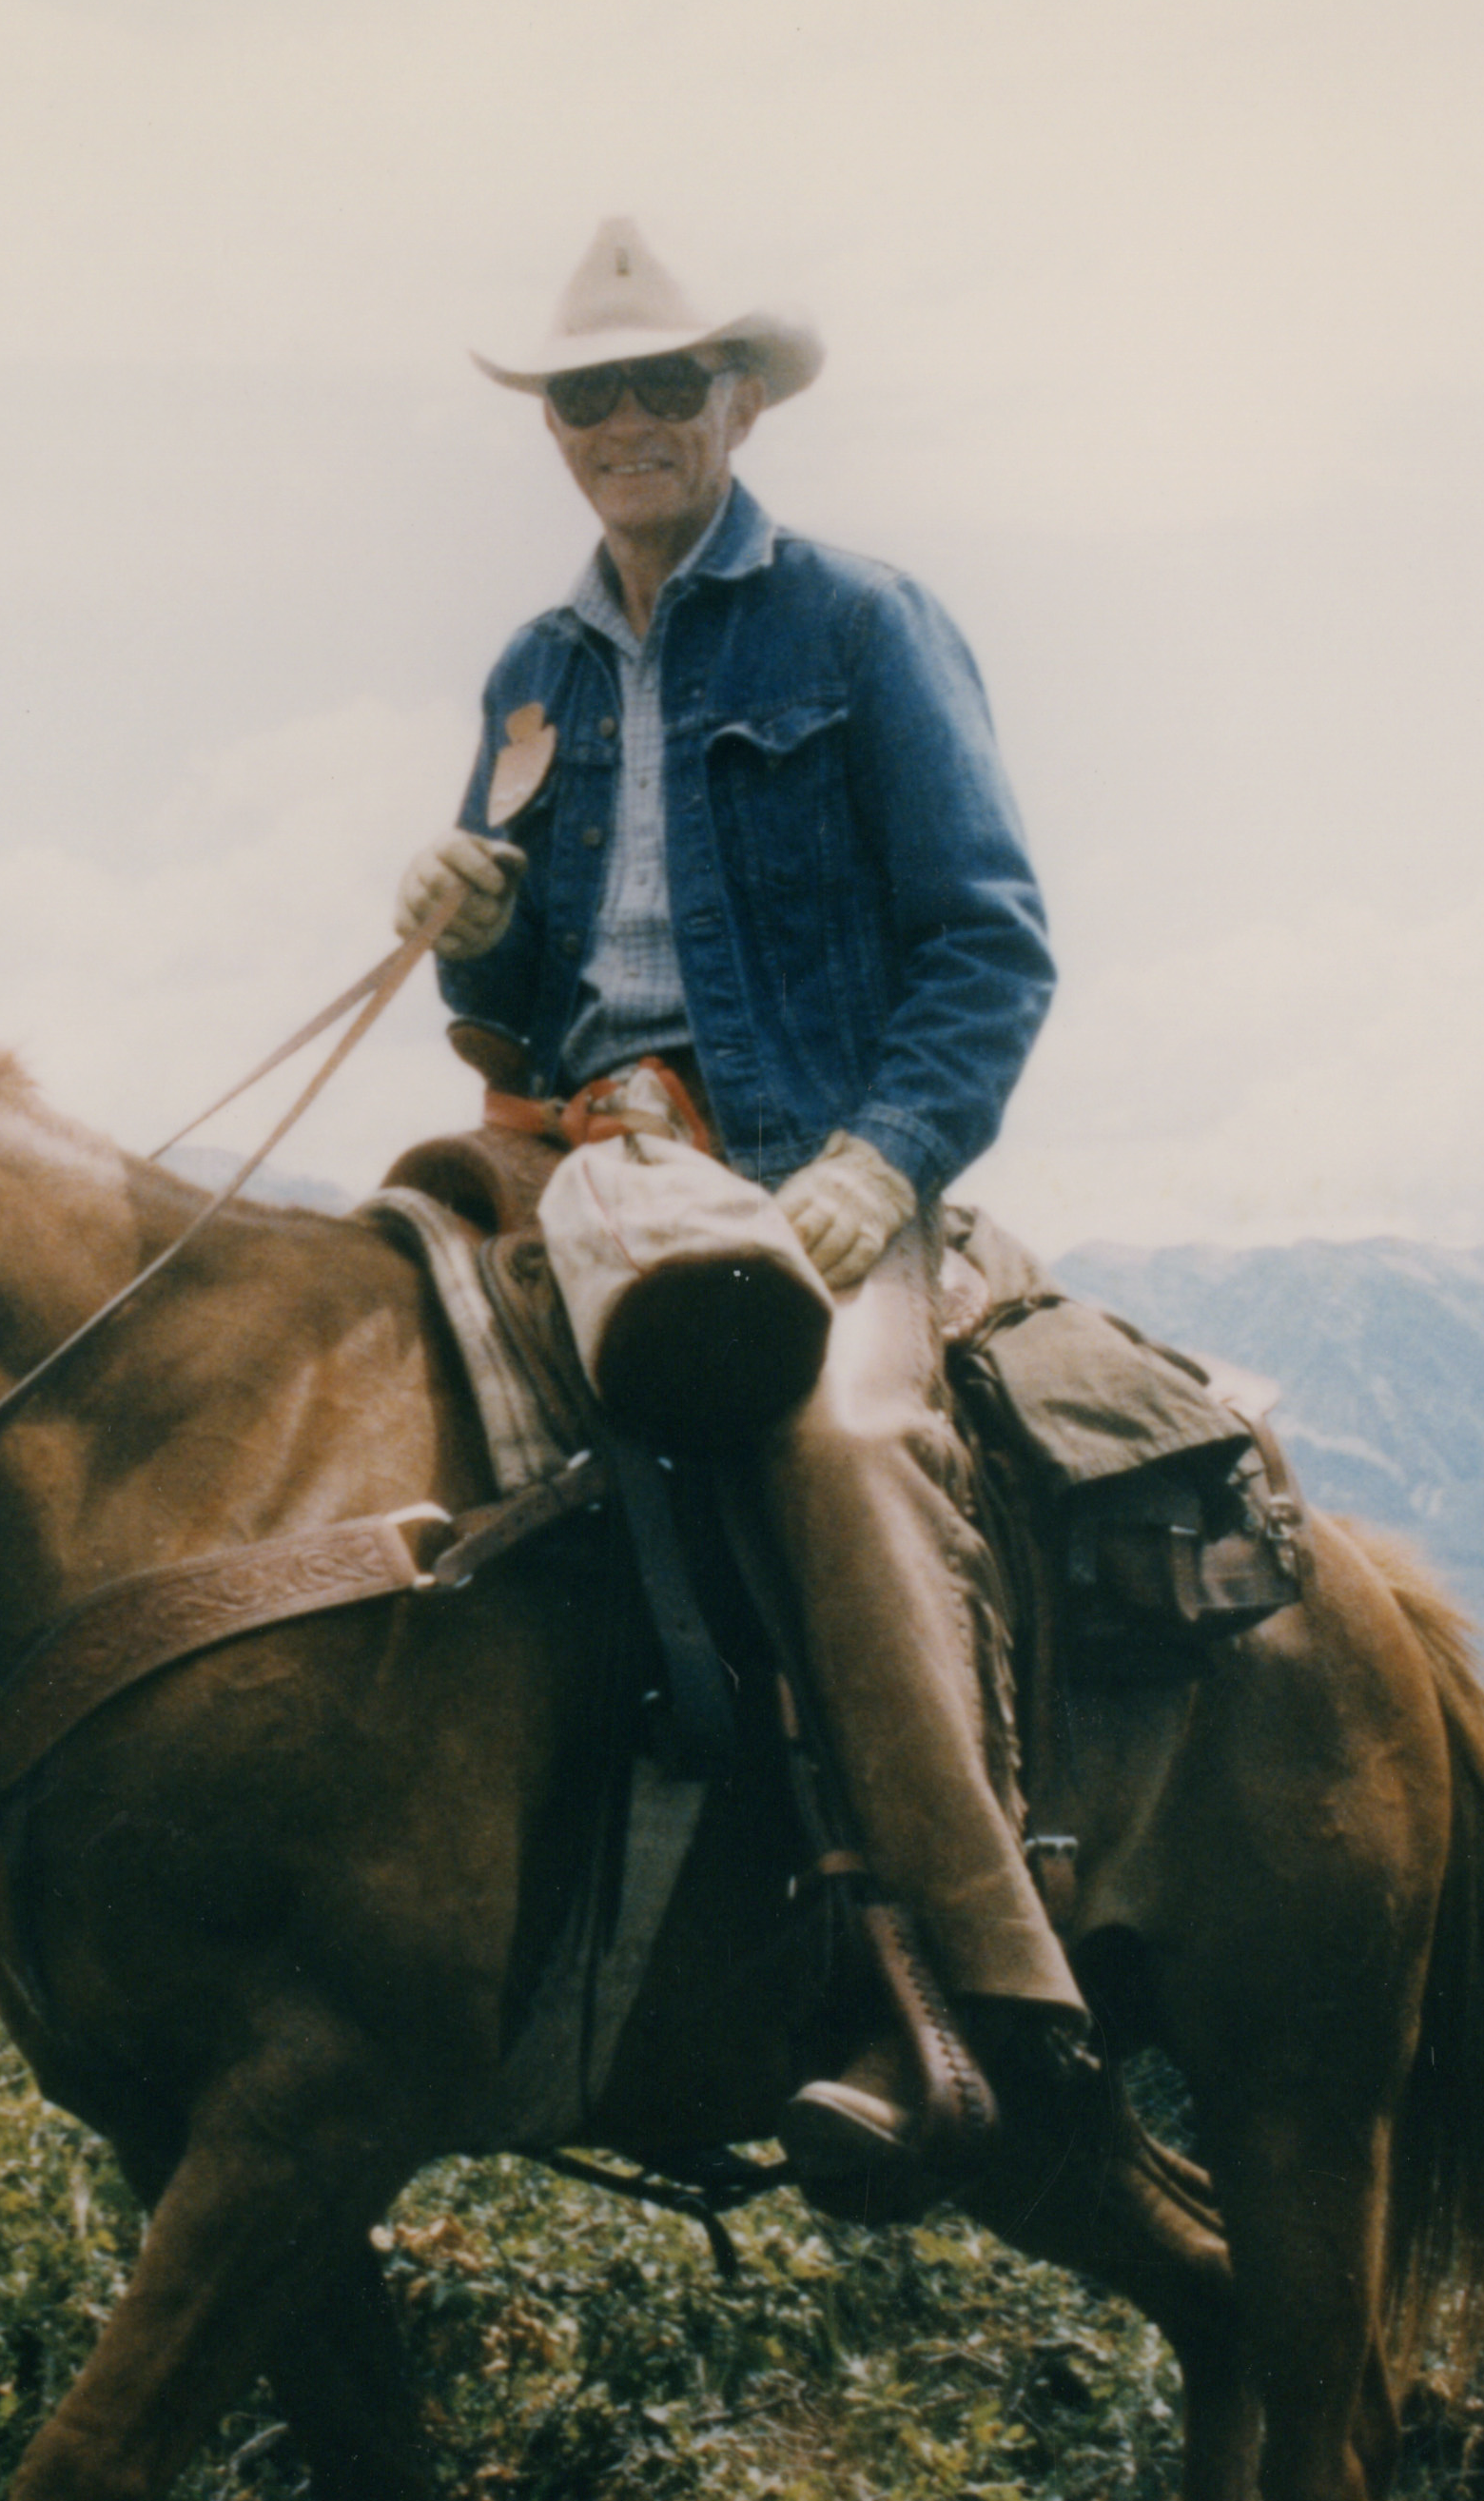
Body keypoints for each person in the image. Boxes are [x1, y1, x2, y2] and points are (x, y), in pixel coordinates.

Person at [398, 215, 1086, 2208]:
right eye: (583, 393)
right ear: (556, 429)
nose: (619, 421)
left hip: (799, 1163)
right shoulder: (531, 671)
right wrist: (471, 936)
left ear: (739, 398)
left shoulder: (861, 624)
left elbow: (987, 944)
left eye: (656, 384)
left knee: (845, 1436)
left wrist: (879, 1169)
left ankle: (973, 1991)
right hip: (565, 1143)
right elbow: (507, 1009)